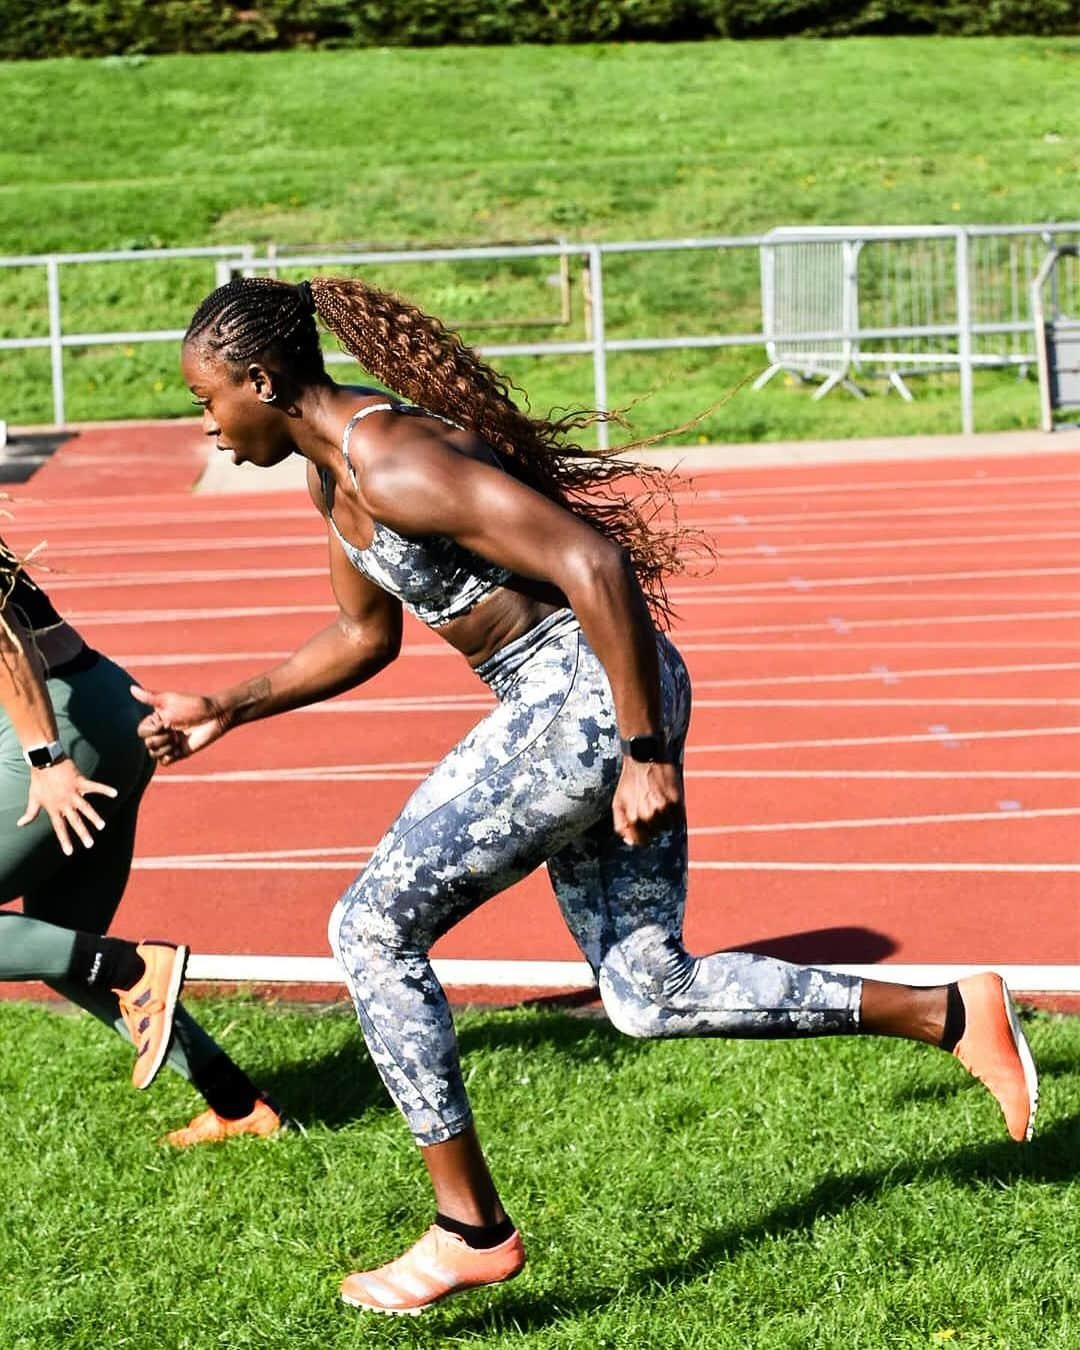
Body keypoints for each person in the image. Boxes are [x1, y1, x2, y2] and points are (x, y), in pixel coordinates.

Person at [135, 274, 1038, 1315]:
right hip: (584, 697)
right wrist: (229, 705)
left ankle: (467, 1228)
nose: (202, 424)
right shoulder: (330, 481)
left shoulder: (393, 459)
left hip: (588, 696)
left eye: (205, 400)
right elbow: (361, 637)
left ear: (261, 379)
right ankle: (948, 1013)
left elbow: (591, 562)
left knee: (371, 930)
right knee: (647, 992)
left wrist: (645, 746)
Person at [0, 532, 283, 1145]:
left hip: (60, 733)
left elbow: (3, 634)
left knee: (104, 964)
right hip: (98, 709)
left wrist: (48, 762)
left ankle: (132, 963)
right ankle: (240, 1106)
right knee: (58, 949)